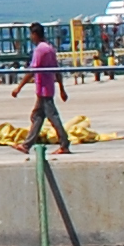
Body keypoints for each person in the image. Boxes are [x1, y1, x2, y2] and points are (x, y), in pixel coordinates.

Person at [24, 25, 72, 154]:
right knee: (37, 117)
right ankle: (26, 145)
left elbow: (32, 70)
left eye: (31, 35)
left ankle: (64, 144)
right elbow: (57, 70)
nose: (30, 37)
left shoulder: (40, 50)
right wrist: (62, 88)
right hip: (47, 87)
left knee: (52, 117)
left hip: (43, 88)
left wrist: (18, 87)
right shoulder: (50, 48)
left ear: (35, 34)